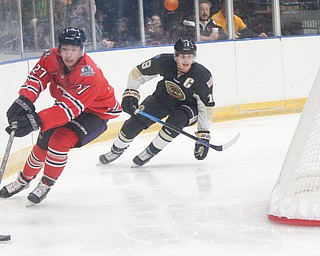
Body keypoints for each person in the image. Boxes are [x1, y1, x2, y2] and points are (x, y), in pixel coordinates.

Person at [0, 27, 122, 204]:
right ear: (59, 48)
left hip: (96, 113)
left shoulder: (90, 74)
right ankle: (23, 181)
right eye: (65, 49)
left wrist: (34, 120)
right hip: (69, 104)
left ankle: (46, 183)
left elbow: (68, 109)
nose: (68, 54)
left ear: (82, 50)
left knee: (59, 141)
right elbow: (38, 77)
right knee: (43, 140)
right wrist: (24, 100)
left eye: (73, 50)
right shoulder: (51, 57)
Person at [99, 37, 215, 167]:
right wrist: (131, 91)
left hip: (189, 107)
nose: (186, 60)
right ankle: (115, 150)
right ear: (176, 56)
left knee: (175, 122)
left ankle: (150, 152)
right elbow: (138, 72)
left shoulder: (202, 75)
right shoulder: (164, 61)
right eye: (182, 56)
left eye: (190, 56)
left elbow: (206, 105)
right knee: (135, 122)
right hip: (163, 98)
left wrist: (203, 133)